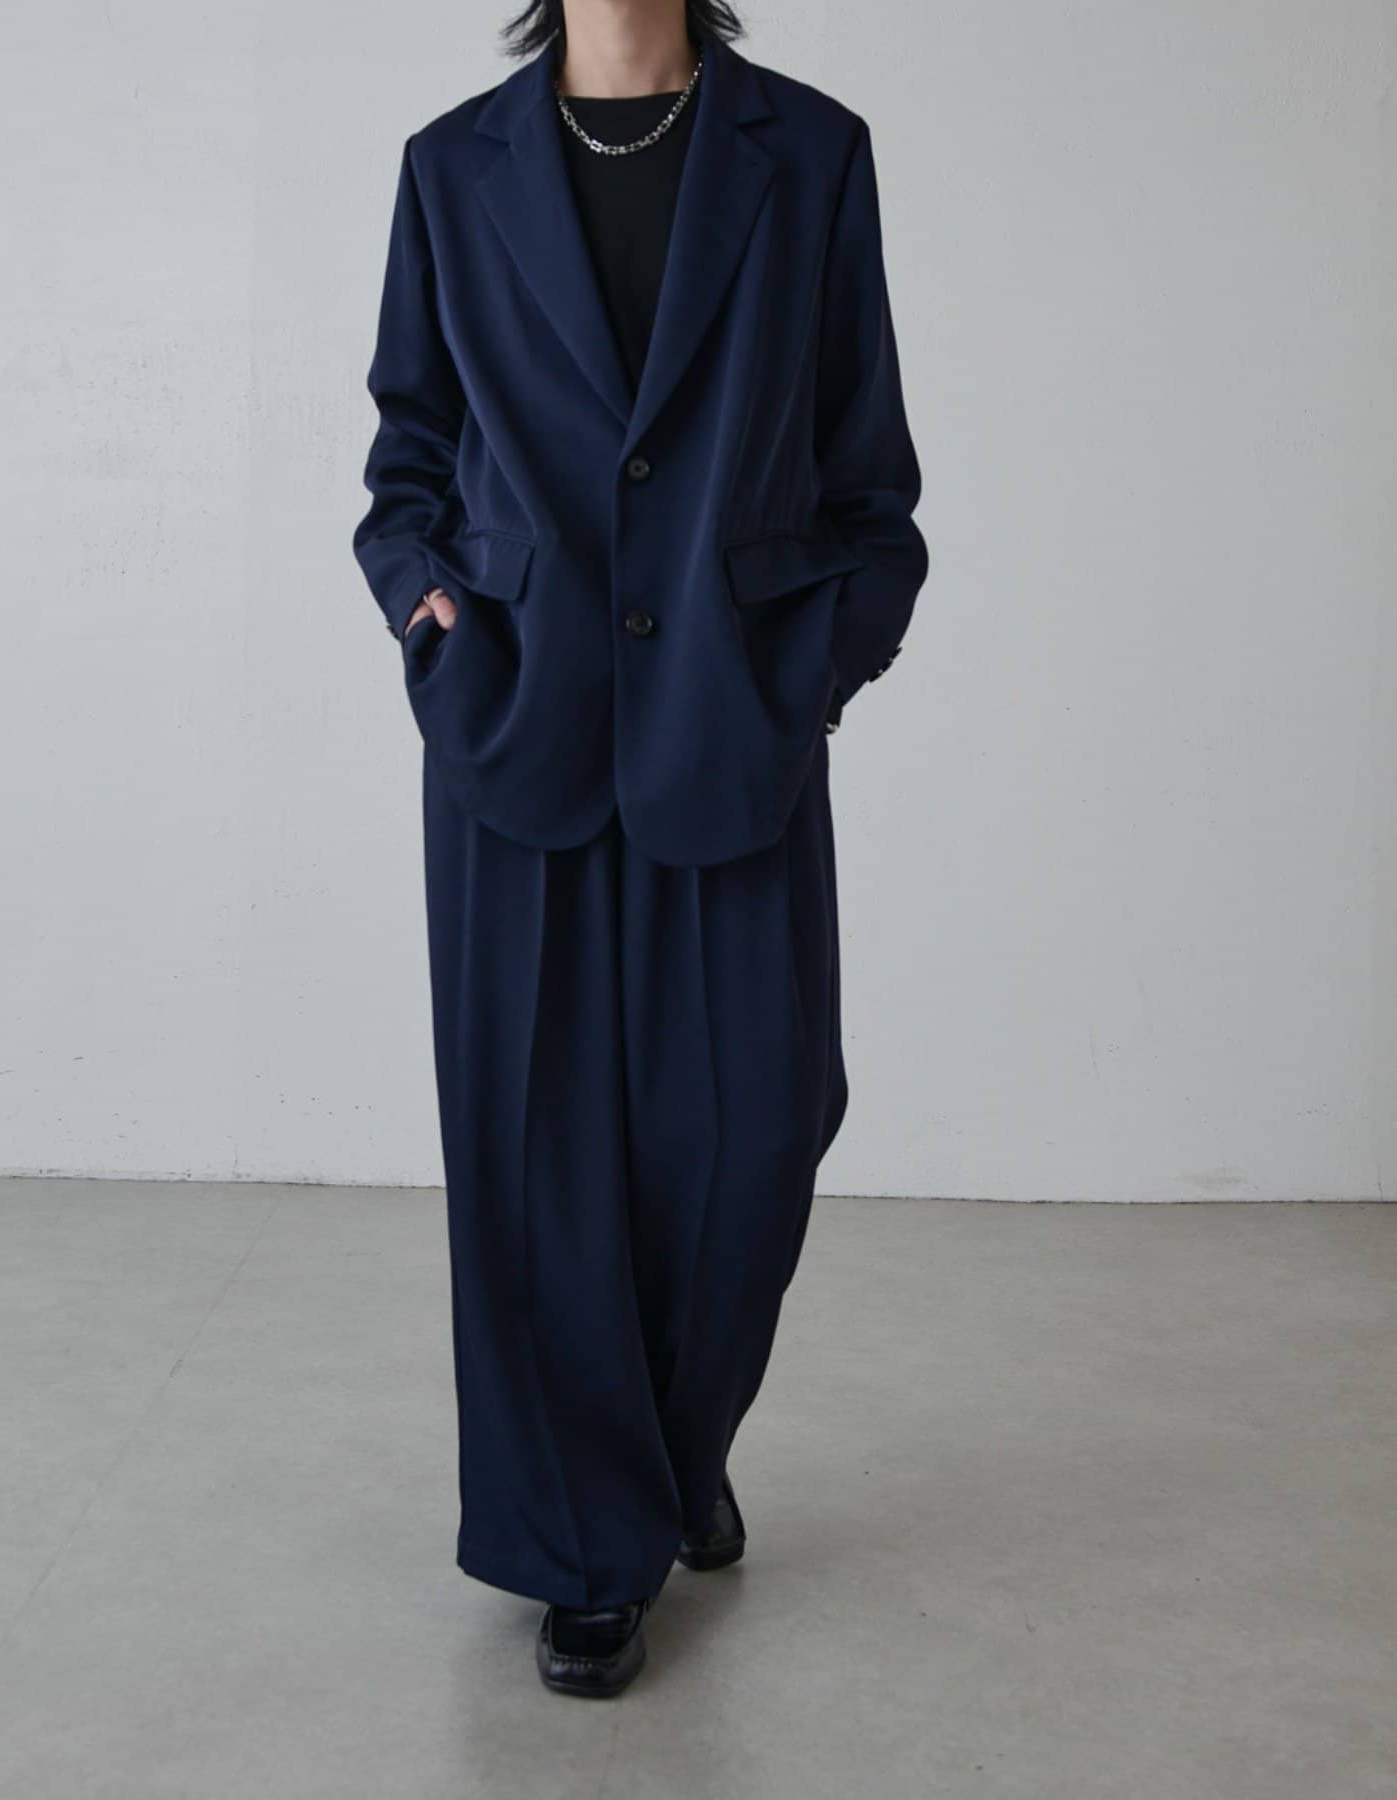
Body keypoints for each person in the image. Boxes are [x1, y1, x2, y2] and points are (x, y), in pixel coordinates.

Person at [353, 0, 926, 1698]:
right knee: (535, 1149)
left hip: (730, 719)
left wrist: (816, 665)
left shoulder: (807, 152)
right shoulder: (450, 167)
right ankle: (584, 1544)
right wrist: (426, 604)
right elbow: (407, 449)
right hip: (517, 712)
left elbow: (867, 465)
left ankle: (673, 1453)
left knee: (756, 1125)